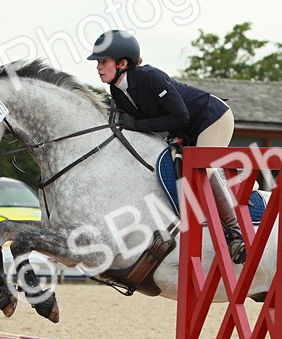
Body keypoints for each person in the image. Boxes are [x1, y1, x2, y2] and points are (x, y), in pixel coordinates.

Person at [88, 30, 246, 263]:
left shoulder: (150, 77)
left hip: (212, 118)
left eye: (104, 62)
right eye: (98, 62)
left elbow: (180, 116)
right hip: (184, 129)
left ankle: (235, 234)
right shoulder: (116, 91)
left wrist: (139, 124)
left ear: (122, 63)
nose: (98, 67)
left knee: (203, 170)